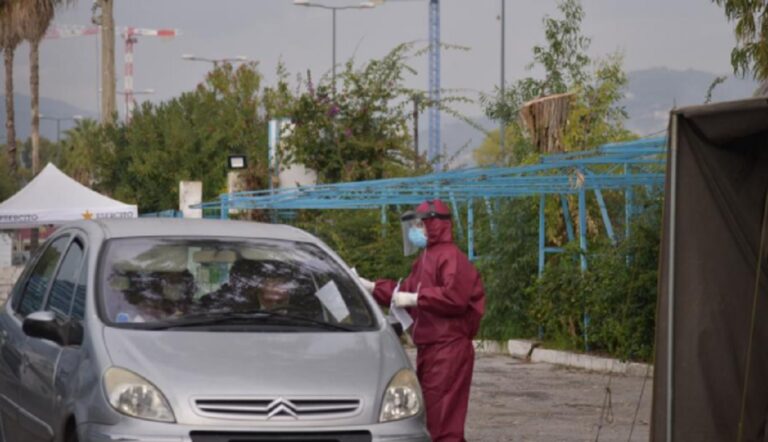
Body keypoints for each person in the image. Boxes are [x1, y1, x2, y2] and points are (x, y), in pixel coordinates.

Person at [359, 199, 485, 442]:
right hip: (431, 347)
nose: (415, 231)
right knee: (433, 414)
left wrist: (417, 298)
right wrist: (372, 287)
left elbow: (454, 297)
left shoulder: (450, 257)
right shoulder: (426, 258)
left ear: (435, 224)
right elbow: (402, 292)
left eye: (420, 224)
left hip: (448, 347)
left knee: (442, 418)